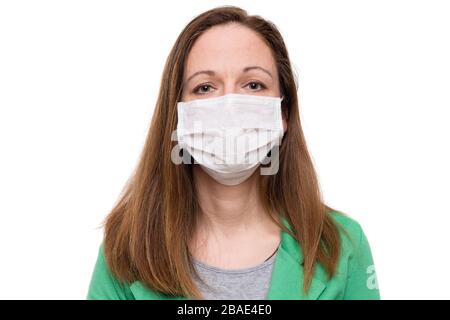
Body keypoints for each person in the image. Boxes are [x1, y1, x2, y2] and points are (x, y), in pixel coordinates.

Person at [87, 5, 380, 300]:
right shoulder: (127, 250)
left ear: (283, 113)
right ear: (178, 115)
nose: (230, 105)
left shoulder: (342, 245)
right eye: (204, 87)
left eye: (254, 85)